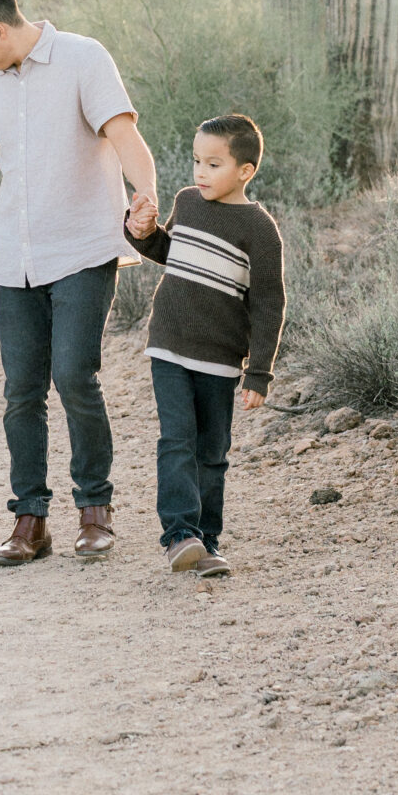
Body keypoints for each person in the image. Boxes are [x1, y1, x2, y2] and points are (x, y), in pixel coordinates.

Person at [0, 0, 157, 566]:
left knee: (74, 377)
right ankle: (30, 520)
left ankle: (95, 510)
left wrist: (146, 193)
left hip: (84, 247)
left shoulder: (83, 58)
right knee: (21, 392)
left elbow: (123, 133)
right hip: (17, 256)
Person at [127, 113, 284, 580]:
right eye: (197, 161)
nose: (200, 172)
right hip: (170, 346)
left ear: (245, 171)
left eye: (213, 164)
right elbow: (167, 251)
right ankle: (179, 534)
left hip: (220, 360)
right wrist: (144, 233)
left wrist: (259, 372)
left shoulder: (259, 229)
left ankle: (207, 541)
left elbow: (269, 304)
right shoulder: (187, 203)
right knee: (177, 439)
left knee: (212, 452)